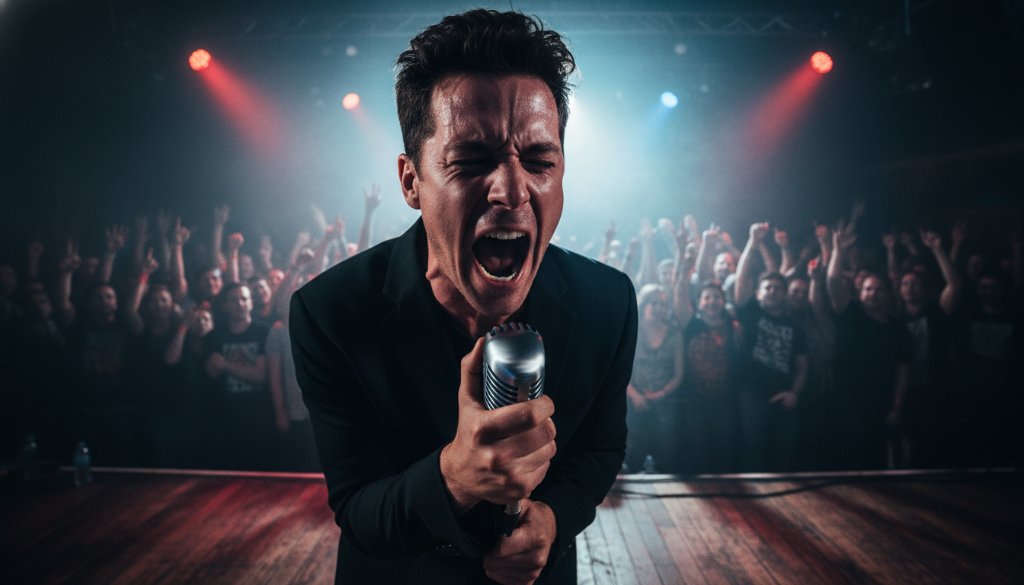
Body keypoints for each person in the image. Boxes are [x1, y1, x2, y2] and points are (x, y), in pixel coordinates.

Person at [289, 10, 637, 585]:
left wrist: (552, 519)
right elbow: (357, 508)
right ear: (410, 182)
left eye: (540, 160)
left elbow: (600, 451)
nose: (511, 188)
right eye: (471, 161)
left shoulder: (608, 303)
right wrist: (455, 475)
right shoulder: (332, 313)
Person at [733, 222, 809, 472]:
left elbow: (801, 366)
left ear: (785, 294)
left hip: (783, 396)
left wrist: (795, 393)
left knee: (783, 457)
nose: (773, 291)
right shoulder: (751, 312)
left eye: (778, 288)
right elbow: (742, 281)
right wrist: (751, 244)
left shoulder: (794, 325)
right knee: (754, 455)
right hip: (751, 394)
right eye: (768, 287)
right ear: (759, 293)